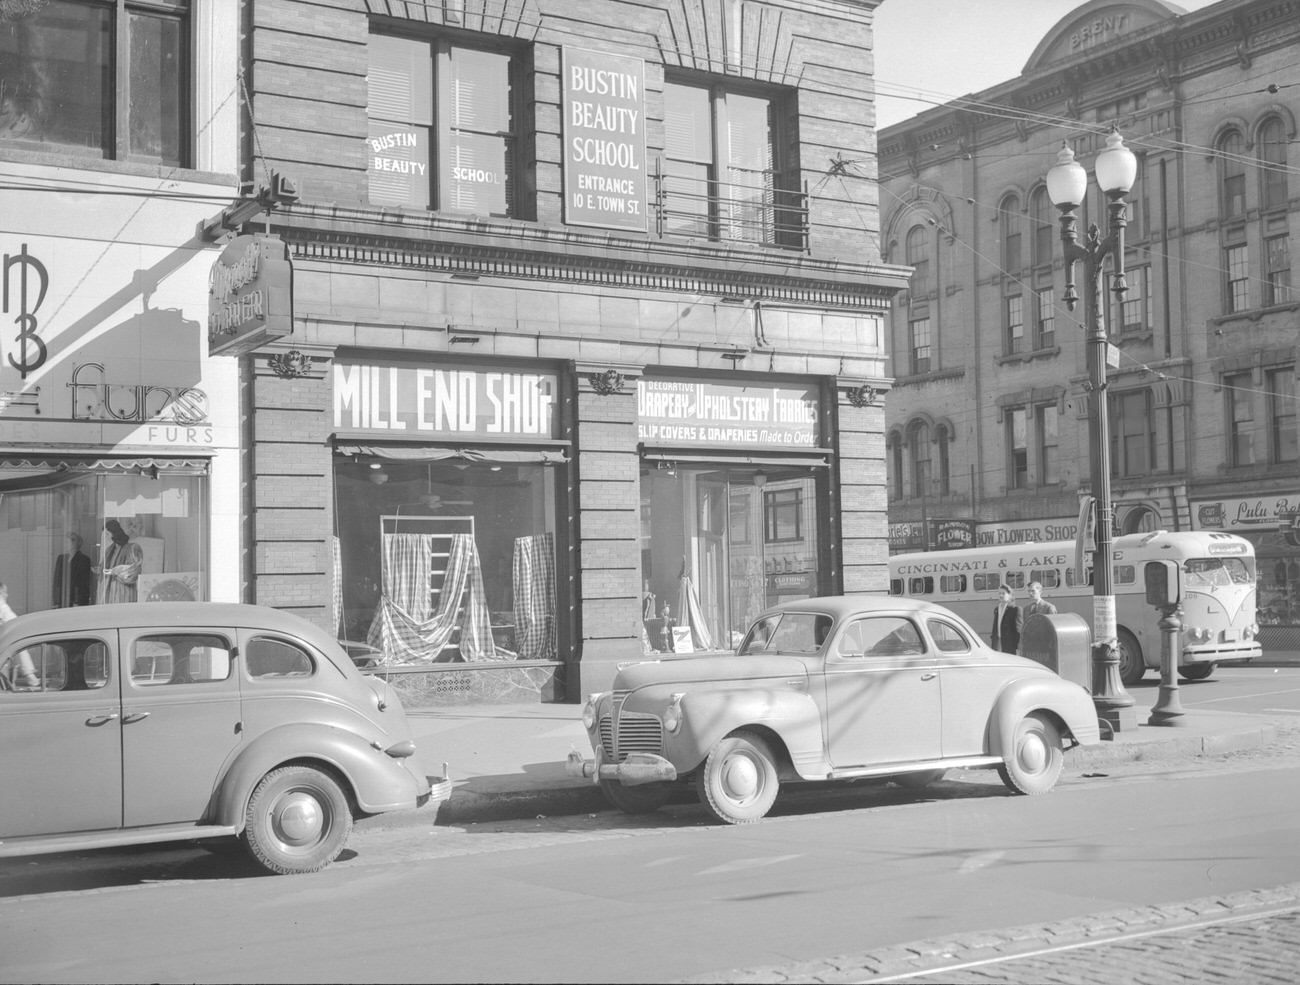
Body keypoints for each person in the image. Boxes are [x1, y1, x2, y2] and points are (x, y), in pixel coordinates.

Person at [0, 581, 39, 688]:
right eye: (4, 592)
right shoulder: (2, 605)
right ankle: (29, 675)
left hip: (5, 640)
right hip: (6, 640)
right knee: (20, 650)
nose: (7, 595)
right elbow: (13, 623)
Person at [99, 519, 143, 604]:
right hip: (109, 595)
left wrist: (116, 571)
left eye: (107, 534)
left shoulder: (132, 548)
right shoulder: (109, 550)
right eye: (104, 535)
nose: (105, 538)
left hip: (124, 594)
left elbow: (134, 571)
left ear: (115, 533)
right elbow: (105, 569)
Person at [53, 531, 93, 607]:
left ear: (79, 543)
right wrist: (56, 601)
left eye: (73, 540)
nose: (69, 542)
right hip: (62, 598)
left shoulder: (84, 559)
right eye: (67, 539)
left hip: (76, 600)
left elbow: (84, 583)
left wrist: (78, 601)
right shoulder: (61, 558)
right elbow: (56, 581)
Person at [991, 583, 1022, 655]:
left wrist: (1017, 647)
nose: (1000, 595)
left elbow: (1018, 631)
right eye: (999, 593)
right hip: (997, 643)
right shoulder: (997, 609)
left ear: (1010, 595)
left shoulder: (1015, 609)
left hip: (1009, 645)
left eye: (1003, 593)